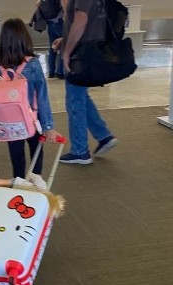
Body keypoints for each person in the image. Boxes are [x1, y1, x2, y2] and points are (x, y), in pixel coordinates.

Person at [0, 18, 62, 190]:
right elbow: (42, 97)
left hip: (9, 123)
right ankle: (36, 183)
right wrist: (48, 127)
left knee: (16, 156)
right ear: (25, 39)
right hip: (32, 119)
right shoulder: (33, 65)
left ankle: (19, 186)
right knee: (36, 150)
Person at [56, 0, 118, 165]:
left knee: (74, 100)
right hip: (88, 50)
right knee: (81, 97)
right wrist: (65, 39)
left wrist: (67, 52)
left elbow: (81, 20)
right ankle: (103, 135)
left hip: (80, 54)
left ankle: (80, 151)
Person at [36, 0, 64, 79]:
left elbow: (38, 3)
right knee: (62, 46)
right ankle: (60, 71)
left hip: (50, 23)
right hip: (60, 22)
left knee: (52, 48)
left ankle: (51, 71)